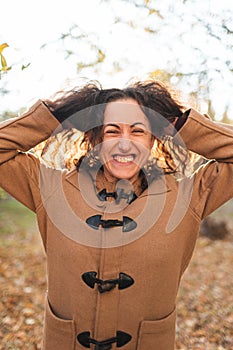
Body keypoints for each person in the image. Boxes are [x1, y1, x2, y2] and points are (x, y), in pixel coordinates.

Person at [0, 80, 232, 350]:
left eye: (138, 131)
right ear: (95, 138)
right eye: (112, 131)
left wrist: (181, 125)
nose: (125, 143)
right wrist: (56, 116)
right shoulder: (52, 189)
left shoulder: (189, 196)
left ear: (153, 139)